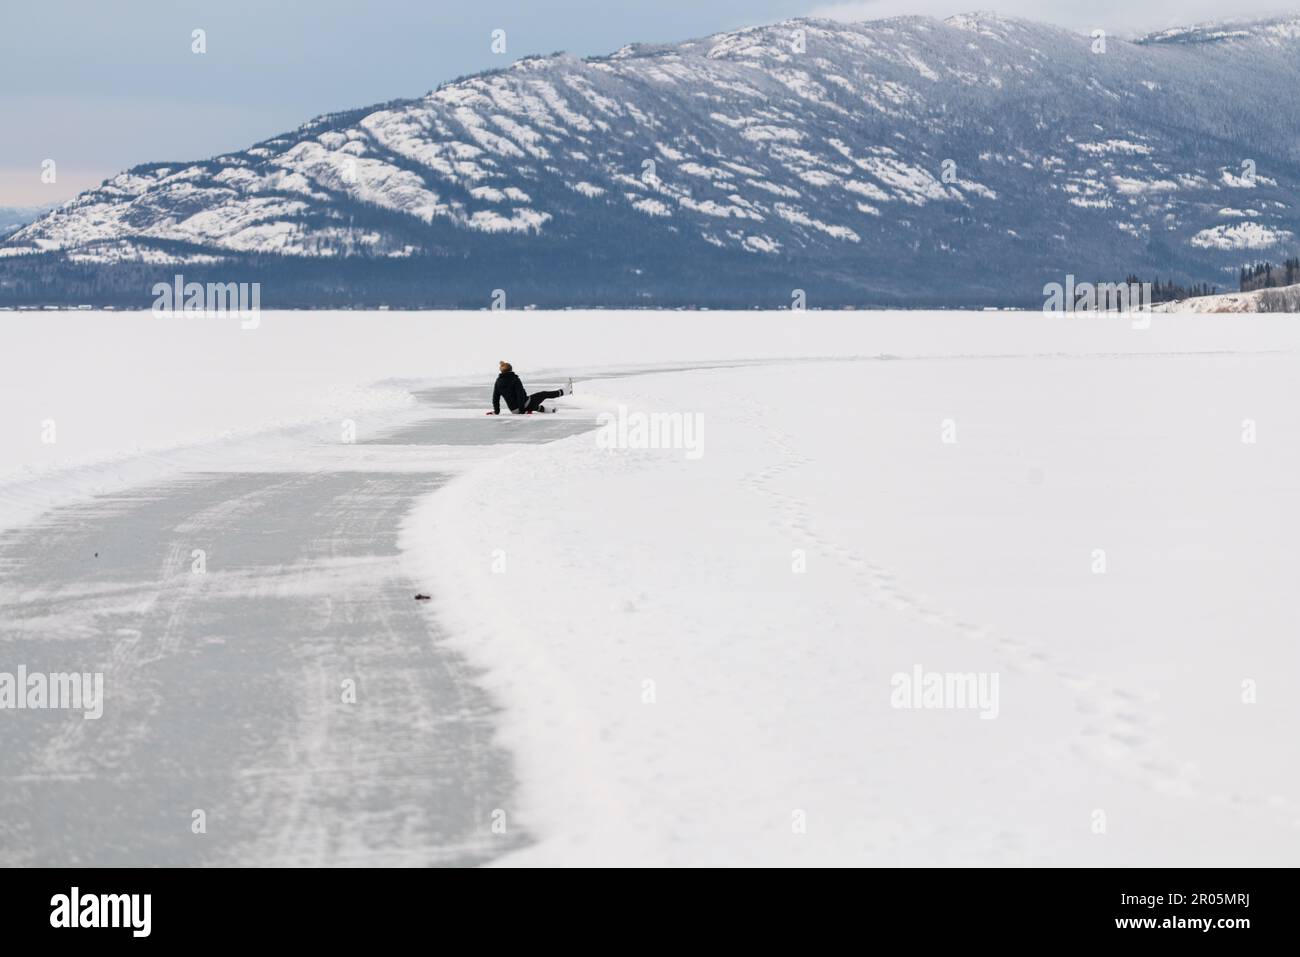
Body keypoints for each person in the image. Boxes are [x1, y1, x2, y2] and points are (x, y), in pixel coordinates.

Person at [488, 361, 572, 414]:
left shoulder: (498, 382)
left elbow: (495, 398)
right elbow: (520, 395)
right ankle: (565, 391)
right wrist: (522, 410)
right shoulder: (515, 379)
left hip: (513, 410)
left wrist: (496, 411)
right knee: (543, 394)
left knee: (533, 405)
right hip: (523, 405)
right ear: (511, 369)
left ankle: (552, 411)